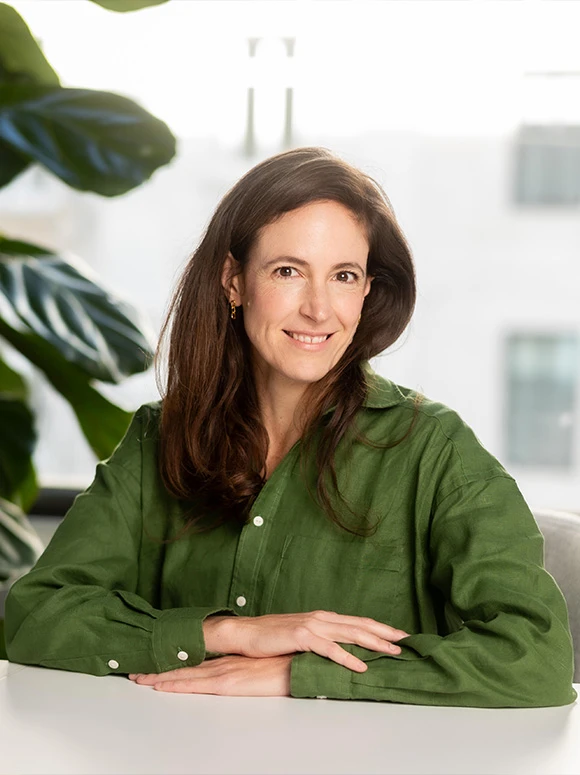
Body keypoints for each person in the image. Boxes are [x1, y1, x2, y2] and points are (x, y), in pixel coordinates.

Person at [4, 147, 576, 707]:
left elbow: (536, 657)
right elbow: (36, 615)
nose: (319, 310)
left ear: (369, 290)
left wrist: (299, 673)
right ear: (233, 282)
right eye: (288, 271)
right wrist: (230, 634)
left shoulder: (436, 450)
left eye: (345, 276)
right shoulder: (160, 437)